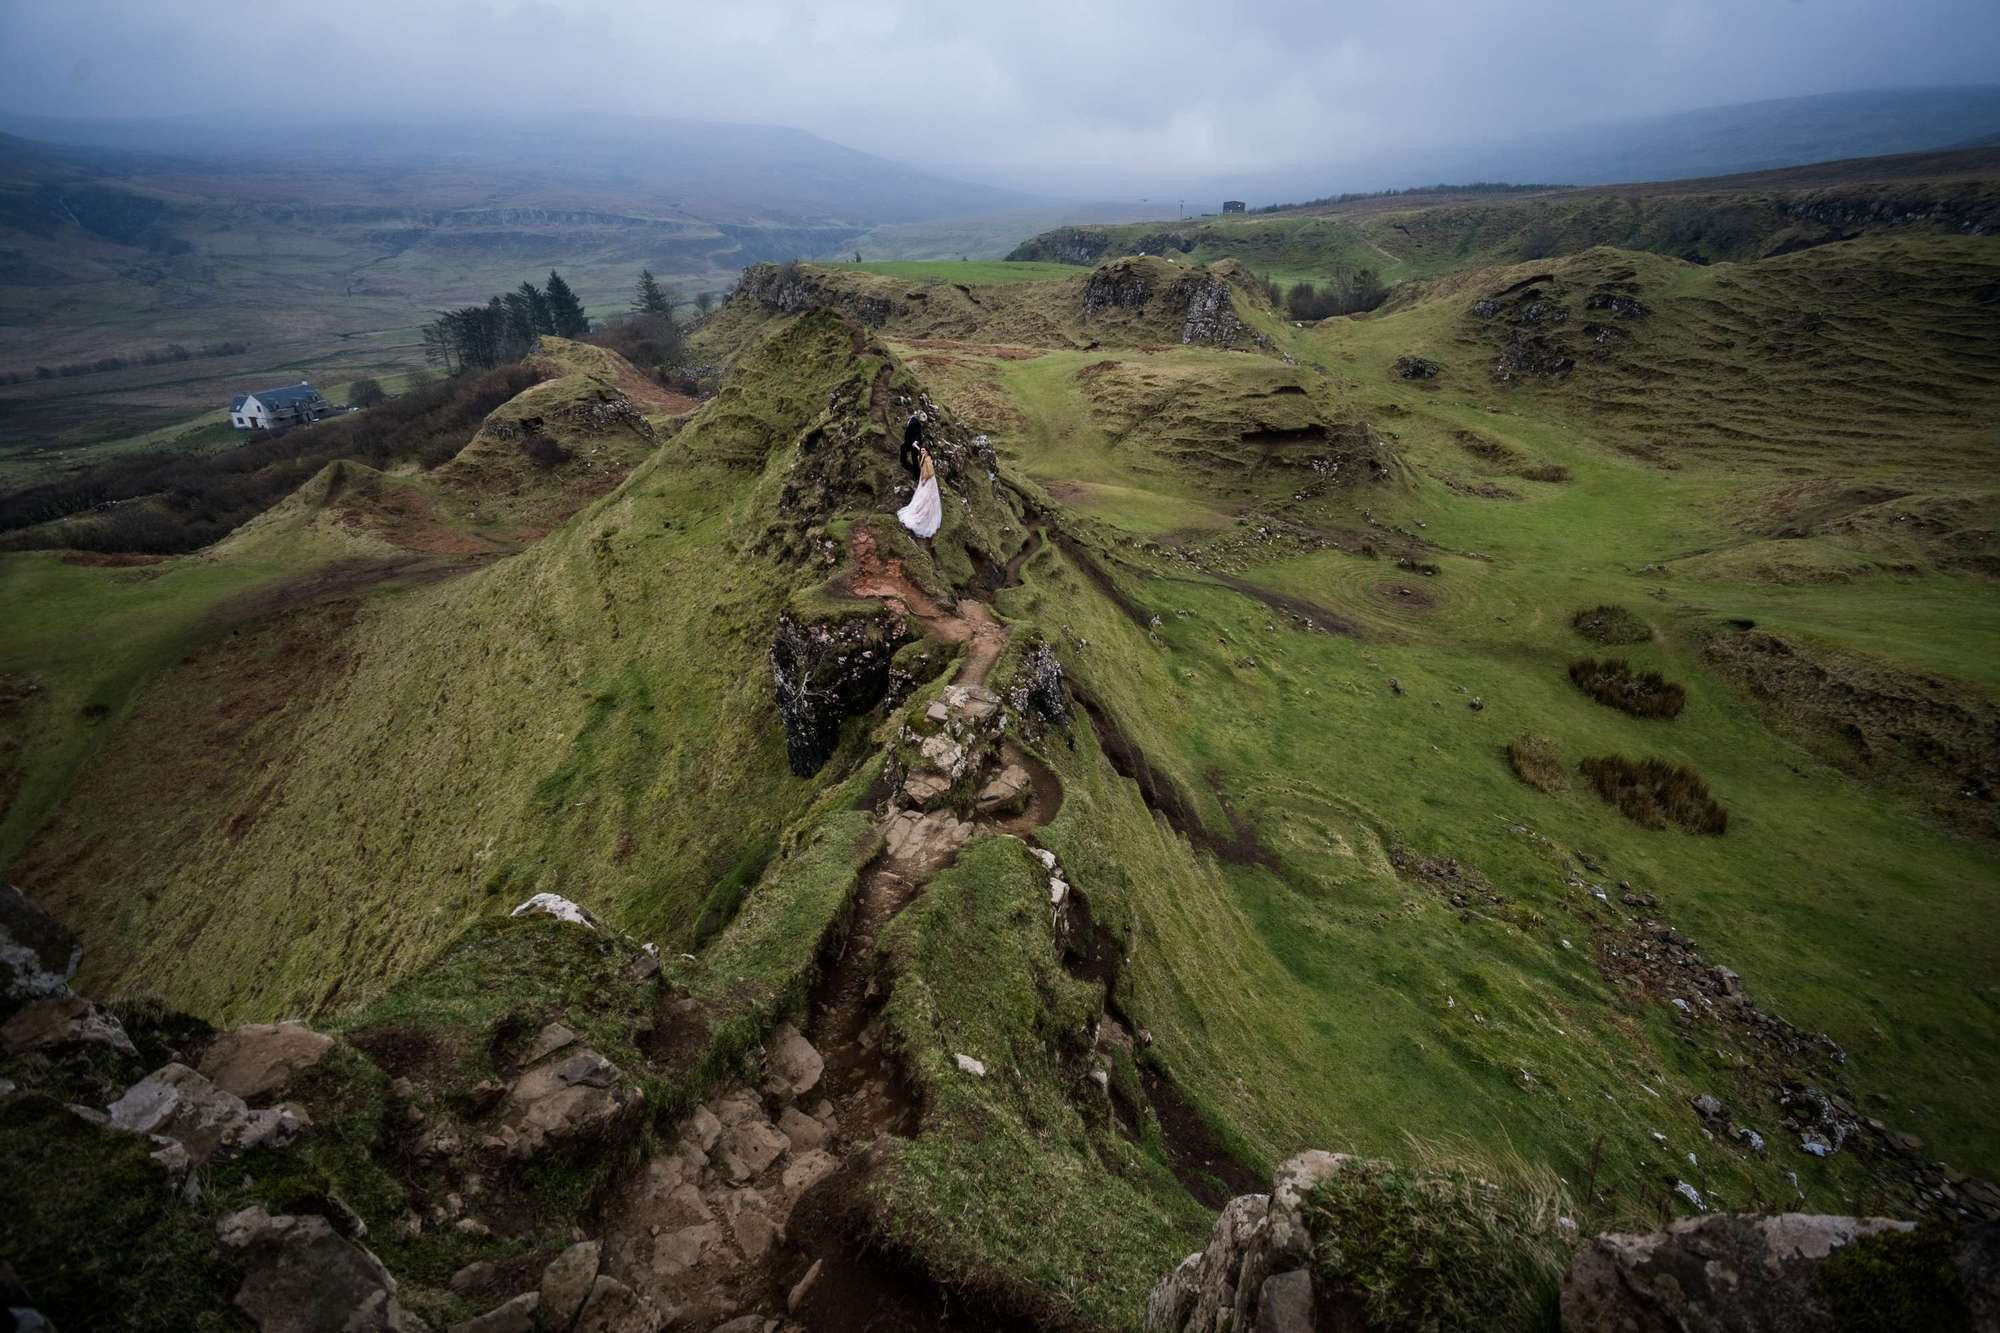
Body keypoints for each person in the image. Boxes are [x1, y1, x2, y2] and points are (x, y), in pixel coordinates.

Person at [897, 446, 941, 541]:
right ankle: (921, 512)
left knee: (926, 497)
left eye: (924, 451)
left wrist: (925, 479)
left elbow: (931, 472)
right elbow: (921, 463)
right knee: (922, 497)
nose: (922, 452)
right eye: (921, 451)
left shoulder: (928, 458)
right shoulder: (922, 458)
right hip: (923, 480)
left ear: (927, 452)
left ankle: (927, 516)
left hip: (928, 481)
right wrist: (917, 447)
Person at [900, 412, 927, 479]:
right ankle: (904, 462)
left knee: (914, 459)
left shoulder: (916, 422)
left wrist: (915, 441)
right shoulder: (913, 421)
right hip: (910, 442)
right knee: (903, 448)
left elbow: (918, 434)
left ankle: (917, 475)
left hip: (914, 444)